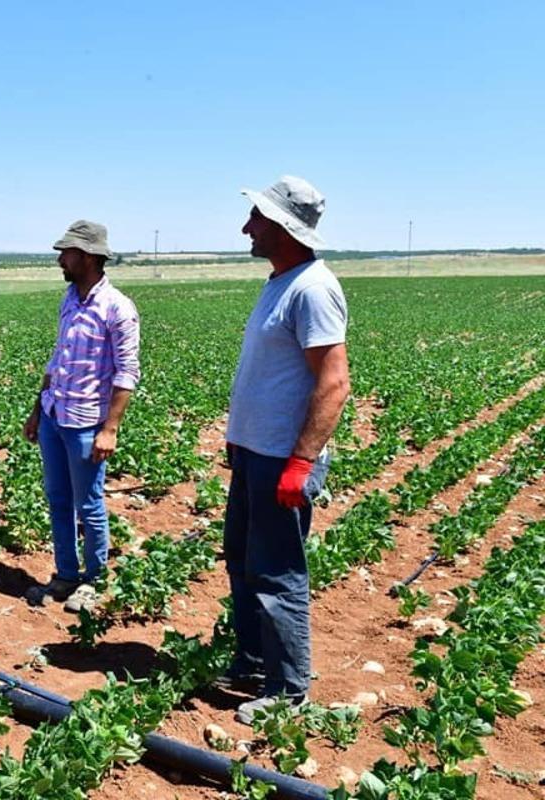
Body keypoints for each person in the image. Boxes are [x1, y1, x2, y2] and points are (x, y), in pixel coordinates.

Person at [220, 176, 350, 724]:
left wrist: (301, 462)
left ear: (284, 228)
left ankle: (288, 690)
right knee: (243, 562)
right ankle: (252, 662)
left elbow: (334, 382)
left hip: (281, 458)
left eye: (258, 219)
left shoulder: (313, 289)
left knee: (276, 572)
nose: (247, 227)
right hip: (254, 452)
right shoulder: (281, 281)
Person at [23, 220, 140, 611]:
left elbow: (126, 373)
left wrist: (111, 428)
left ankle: (94, 579)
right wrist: (37, 410)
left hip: (86, 423)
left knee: (88, 503)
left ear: (87, 257)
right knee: (58, 498)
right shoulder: (69, 300)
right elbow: (57, 359)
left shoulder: (117, 308)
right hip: (56, 417)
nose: (60, 259)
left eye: (66, 252)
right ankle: (65, 574)